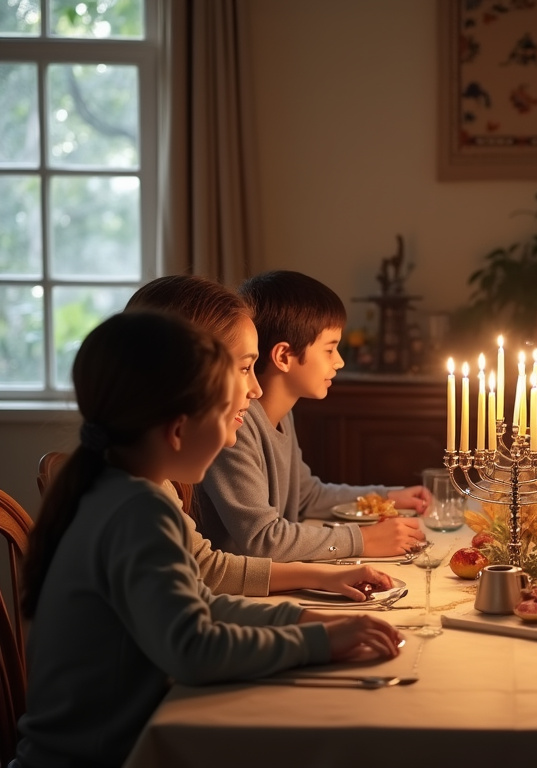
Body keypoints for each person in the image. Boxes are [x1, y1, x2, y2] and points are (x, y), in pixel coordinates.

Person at [16, 312, 402, 768]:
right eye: (224, 415)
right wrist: (318, 643)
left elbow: (202, 602)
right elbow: (194, 650)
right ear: (178, 430)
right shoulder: (138, 509)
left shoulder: (111, 487)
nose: (230, 436)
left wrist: (301, 618)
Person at [125, 274, 394, 597]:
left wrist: (317, 586)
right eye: (243, 369)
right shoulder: (137, 497)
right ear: (187, 378)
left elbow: (206, 572)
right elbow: (191, 633)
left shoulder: (154, 485)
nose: (255, 389)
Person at [196, 270, 428, 561]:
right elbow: (263, 540)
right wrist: (361, 540)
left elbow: (307, 496)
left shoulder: (282, 415)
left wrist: (386, 497)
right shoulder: (236, 425)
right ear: (283, 357)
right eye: (330, 349)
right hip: (241, 593)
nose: (340, 361)